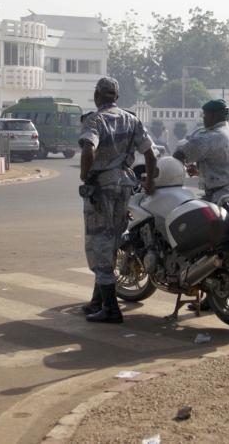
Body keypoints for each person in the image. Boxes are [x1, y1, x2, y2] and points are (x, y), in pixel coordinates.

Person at [78, 77, 158, 324]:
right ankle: (97, 301)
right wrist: (150, 182)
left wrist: (85, 176)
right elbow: (150, 153)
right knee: (113, 239)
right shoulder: (131, 119)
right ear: (116, 97)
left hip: (102, 187)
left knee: (99, 243)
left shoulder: (95, 119)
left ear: (98, 95)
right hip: (125, 185)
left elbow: (88, 149)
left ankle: (111, 309)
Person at [173, 99, 229, 206]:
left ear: (213, 115)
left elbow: (179, 155)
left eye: (205, 115)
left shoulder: (209, 138)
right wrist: (199, 172)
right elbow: (227, 171)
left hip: (220, 199)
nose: (203, 118)